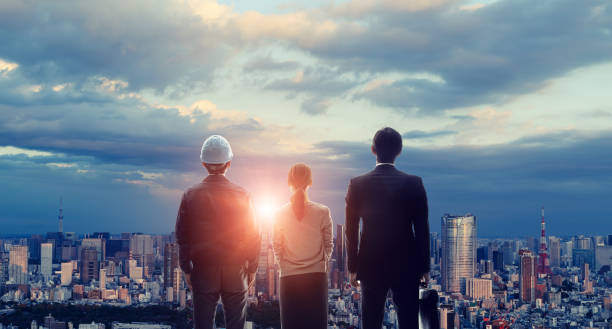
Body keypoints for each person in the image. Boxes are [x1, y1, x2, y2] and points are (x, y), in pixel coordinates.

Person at [345, 127, 430, 329]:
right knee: (409, 321)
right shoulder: (414, 183)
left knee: (371, 321)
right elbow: (422, 230)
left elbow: (350, 229)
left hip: (371, 264)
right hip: (407, 265)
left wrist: (352, 266)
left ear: (373, 149)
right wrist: (424, 267)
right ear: (399, 151)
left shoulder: (357, 184)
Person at [175, 135, 261, 329]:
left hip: (203, 271)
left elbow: (182, 236)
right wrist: (252, 268)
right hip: (236, 270)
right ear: (229, 163)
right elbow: (254, 235)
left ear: (203, 163)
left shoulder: (190, 195)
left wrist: (186, 269)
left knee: (203, 325)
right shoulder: (243, 195)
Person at [273, 163, 334, 329]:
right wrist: (320, 262)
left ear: (289, 183)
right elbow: (328, 245)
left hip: (289, 277)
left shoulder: (279, 213)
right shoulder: (323, 211)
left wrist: (285, 266)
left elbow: (276, 246)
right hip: (316, 277)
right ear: (310, 182)